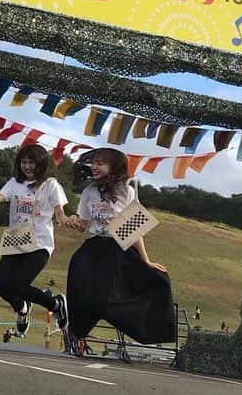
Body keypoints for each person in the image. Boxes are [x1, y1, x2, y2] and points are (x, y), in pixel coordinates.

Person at [64, 148, 173, 349]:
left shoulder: (126, 191)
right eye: (93, 162)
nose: (94, 167)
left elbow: (133, 230)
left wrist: (145, 259)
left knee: (156, 281)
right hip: (94, 245)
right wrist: (74, 220)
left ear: (113, 167)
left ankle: (80, 333)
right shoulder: (89, 192)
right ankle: (75, 331)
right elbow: (84, 226)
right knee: (78, 276)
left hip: (118, 247)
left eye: (100, 163)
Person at [0, 143, 71, 337]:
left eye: (31, 162)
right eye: (23, 162)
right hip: (16, 240)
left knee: (18, 285)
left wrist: (66, 219)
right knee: (1, 284)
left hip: (40, 243)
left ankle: (56, 304)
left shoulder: (50, 185)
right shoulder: (14, 183)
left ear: (40, 164)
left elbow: (59, 213)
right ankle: (23, 308)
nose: (27, 167)